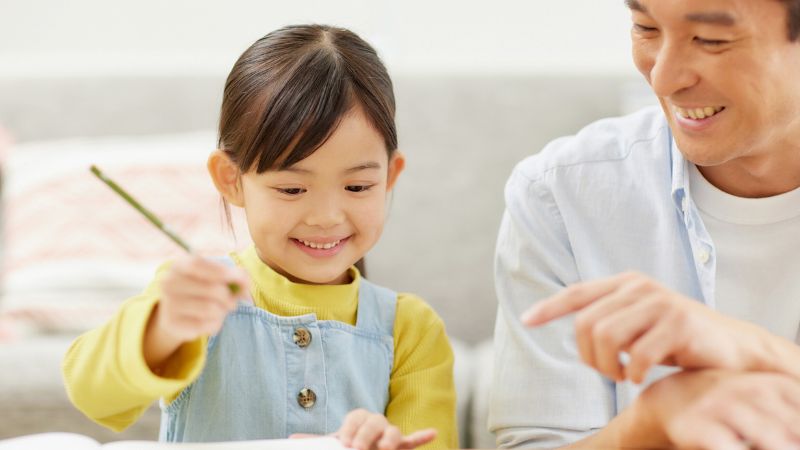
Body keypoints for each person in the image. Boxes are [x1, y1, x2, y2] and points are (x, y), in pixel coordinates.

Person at [62, 24, 457, 450]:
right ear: (231, 180)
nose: (326, 217)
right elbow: (91, 395)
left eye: (357, 187)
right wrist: (163, 328)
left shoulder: (411, 331)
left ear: (391, 176)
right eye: (292, 189)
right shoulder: (196, 297)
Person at [490, 0, 800, 448]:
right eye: (645, 28)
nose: (663, 79)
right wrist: (651, 421)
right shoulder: (559, 194)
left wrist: (761, 354)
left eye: (710, 40)